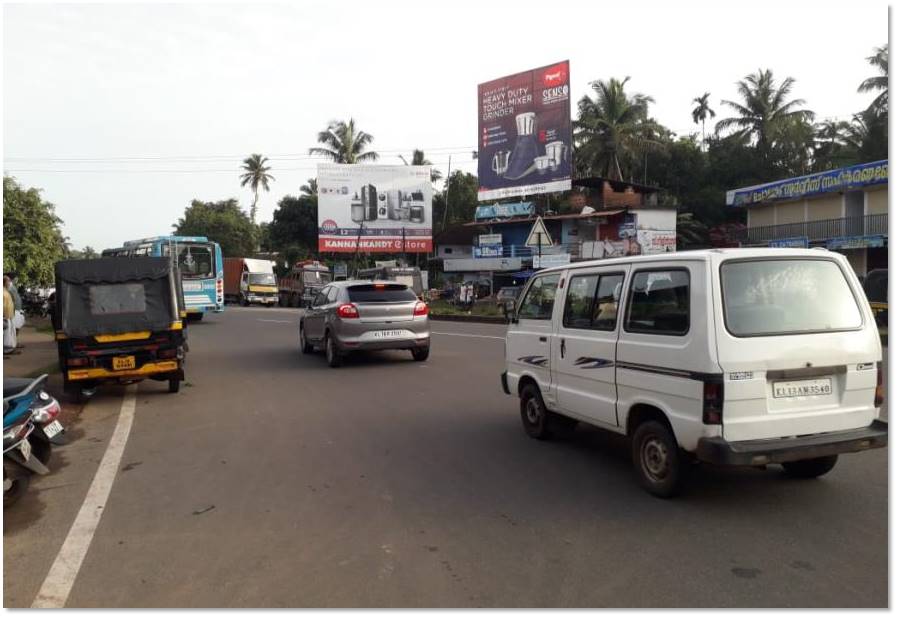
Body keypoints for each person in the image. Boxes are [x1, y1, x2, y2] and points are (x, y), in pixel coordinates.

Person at [3, 278, 18, 355]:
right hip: (5, 316)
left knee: (9, 334)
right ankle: (6, 350)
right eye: (8, 281)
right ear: (4, 282)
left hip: (9, 315)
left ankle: (9, 349)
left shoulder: (6, 291)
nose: (9, 283)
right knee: (6, 335)